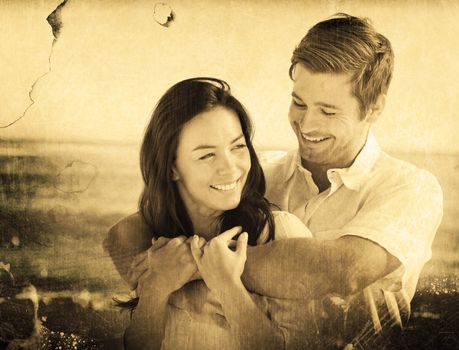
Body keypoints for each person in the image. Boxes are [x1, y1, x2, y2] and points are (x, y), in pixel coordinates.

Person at [109, 13, 443, 348]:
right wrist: (162, 278)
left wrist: (201, 267)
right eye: (299, 103)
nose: (307, 125)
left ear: (373, 109)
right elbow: (127, 232)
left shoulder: (411, 189)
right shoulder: (256, 175)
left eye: (328, 112)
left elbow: (342, 271)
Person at [105, 78, 314, 349]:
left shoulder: (282, 234)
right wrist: (156, 288)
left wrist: (227, 285)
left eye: (238, 147)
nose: (230, 168)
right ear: (171, 167)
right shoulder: (159, 247)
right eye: (207, 155)